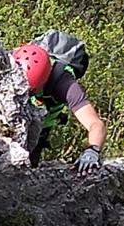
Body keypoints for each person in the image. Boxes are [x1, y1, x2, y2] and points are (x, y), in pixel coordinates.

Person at [11, 42, 106, 175]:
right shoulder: (12, 61)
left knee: (29, 163)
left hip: (43, 123)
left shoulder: (65, 85)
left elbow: (95, 124)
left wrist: (92, 151)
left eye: (32, 91)